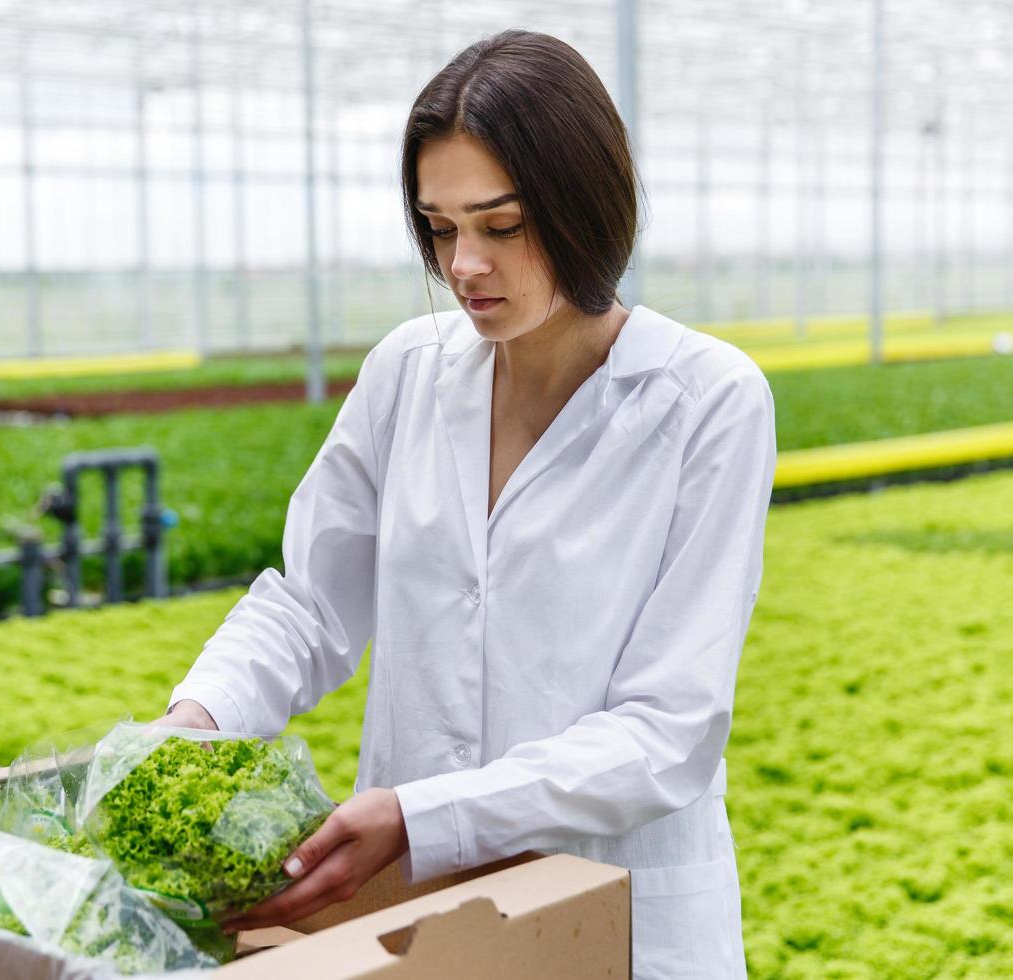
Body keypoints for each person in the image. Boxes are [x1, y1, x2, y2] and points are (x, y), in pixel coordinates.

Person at [157, 28, 774, 979]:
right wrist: (192, 725)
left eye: (502, 224)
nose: (464, 266)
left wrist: (423, 815)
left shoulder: (706, 403)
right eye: (440, 228)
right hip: (412, 918)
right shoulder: (407, 372)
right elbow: (311, 601)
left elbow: (667, 730)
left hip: (620, 918)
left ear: (582, 205)